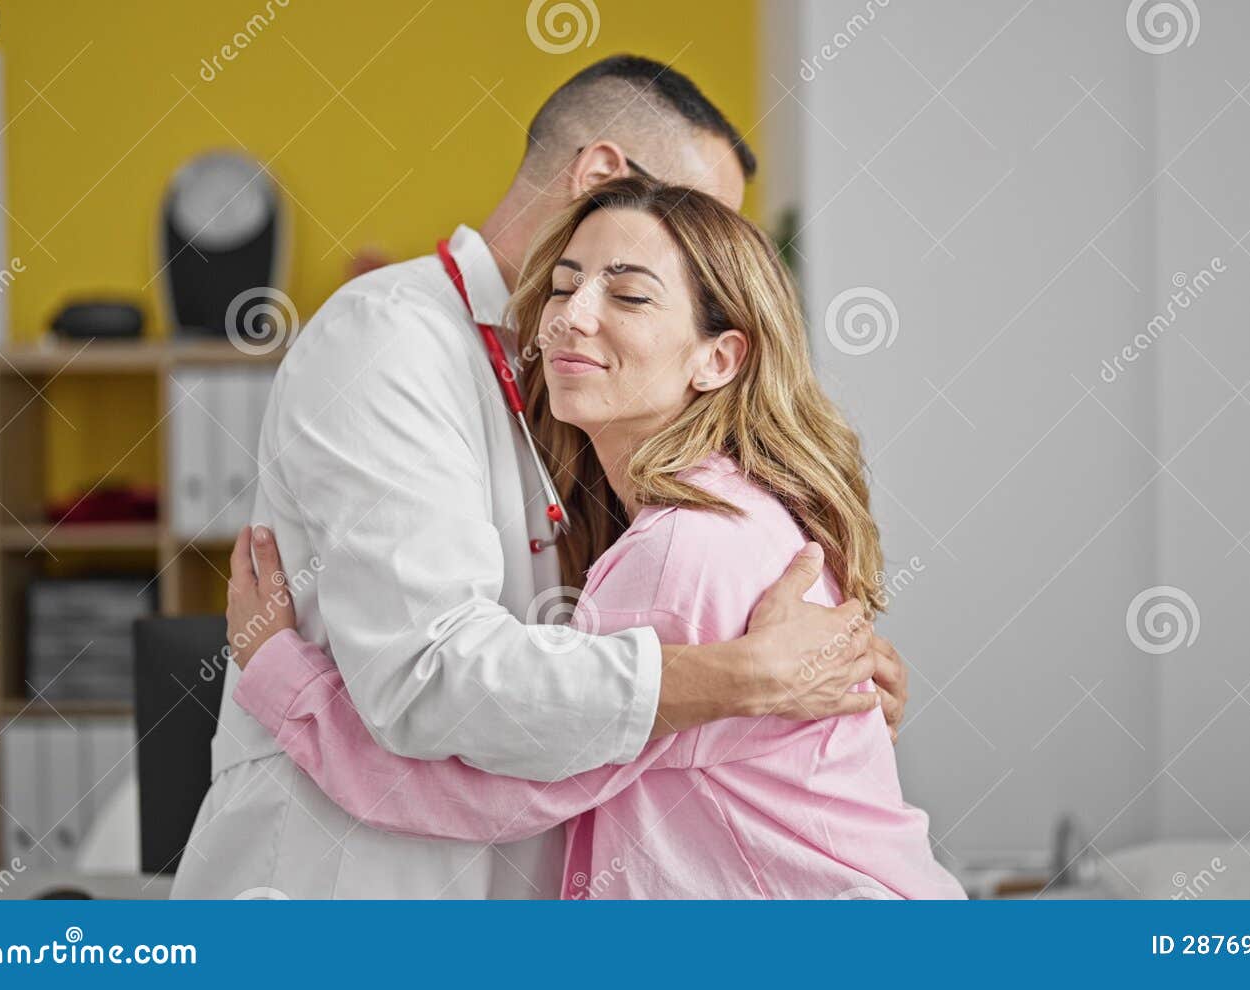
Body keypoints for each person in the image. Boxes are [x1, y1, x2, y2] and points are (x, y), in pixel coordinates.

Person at [171, 55, 909, 900]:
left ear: (720, 354)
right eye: (690, 219)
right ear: (603, 179)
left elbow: (626, 715)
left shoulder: (669, 491)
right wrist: (745, 679)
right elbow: (429, 679)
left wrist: (826, 674)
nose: (714, 256)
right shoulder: (388, 340)